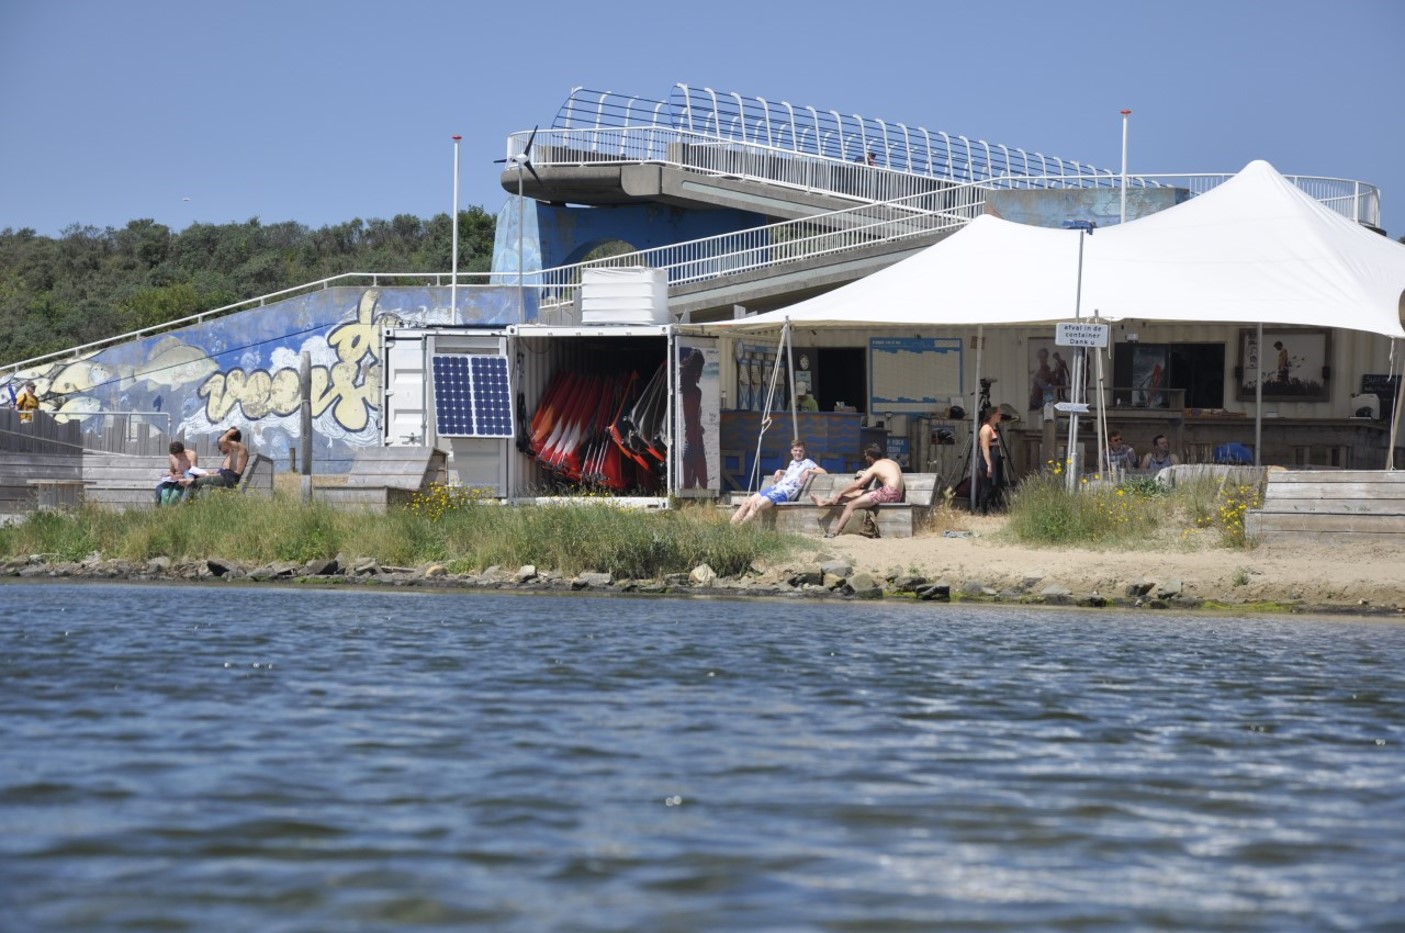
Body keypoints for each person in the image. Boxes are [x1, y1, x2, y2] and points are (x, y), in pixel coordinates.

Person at [811, 443, 904, 538]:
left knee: (851, 504)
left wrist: (840, 493)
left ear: (870, 457)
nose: (866, 459)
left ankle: (835, 532)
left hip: (888, 494)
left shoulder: (875, 466)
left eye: (866, 457)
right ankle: (826, 501)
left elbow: (857, 484)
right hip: (895, 494)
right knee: (858, 493)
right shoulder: (892, 462)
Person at [731, 439, 825, 525]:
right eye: (796, 450)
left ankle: (739, 530)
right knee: (747, 503)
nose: (798, 452)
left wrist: (809, 471)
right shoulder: (792, 463)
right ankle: (729, 527)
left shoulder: (807, 463)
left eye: (800, 451)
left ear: (804, 452)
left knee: (756, 505)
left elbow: (824, 472)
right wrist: (781, 471)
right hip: (776, 488)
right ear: (791, 451)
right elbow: (792, 474)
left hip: (785, 493)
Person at [679, 349, 708, 489]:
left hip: (688, 443)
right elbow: (692, 420)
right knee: (704, 487)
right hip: (696, 444)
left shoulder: (685, 391)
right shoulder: (696, 392)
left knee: (688, 488)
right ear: (697, 370)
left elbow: (689, 419)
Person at [976, 406, 1005, 515]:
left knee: (996, 486)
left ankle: (992, 508)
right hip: (987, 461)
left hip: (995, 459)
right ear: (992, 415)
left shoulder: (992, 428)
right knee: (986, 487)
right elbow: (984, 447)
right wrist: (989, 465)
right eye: (999, 414)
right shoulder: (986, 429)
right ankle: (983, 512)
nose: (1000, 416)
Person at [155, 440, 200, 505]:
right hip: (176, 479)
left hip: (188, 478)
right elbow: (171, 471)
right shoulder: (172, 457)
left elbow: (194, 470)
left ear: (183, 452)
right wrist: (173, 476)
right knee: (160, 489)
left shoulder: (191, 454)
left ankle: (177, 506)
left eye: (179, 455)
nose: (178, 458)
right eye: (175, 456)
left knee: (187, 473)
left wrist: (183, 476)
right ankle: (162, 508)